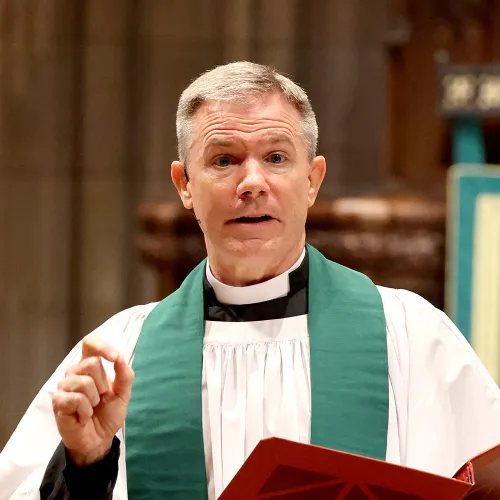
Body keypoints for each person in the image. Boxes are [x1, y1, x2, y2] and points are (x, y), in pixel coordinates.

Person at [1, 61, 499, 500]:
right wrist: (87, 467)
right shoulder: (119, 355)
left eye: (277, 158)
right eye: (224, 160)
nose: (253, 182)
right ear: (184, 185)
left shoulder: (409, 337)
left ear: (312, 180)